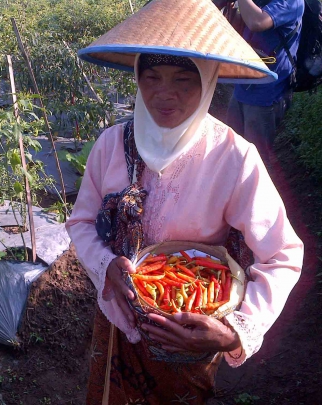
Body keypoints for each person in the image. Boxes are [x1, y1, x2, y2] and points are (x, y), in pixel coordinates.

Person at [67, 0, 304, 403]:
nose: (165, 94)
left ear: (209, 81)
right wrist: (106, 266)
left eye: (184, 80)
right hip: (119, 319)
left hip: (190, 334)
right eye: (152, 76)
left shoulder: (233, 158)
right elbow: (82, 222)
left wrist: (233, 331)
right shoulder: (111, 145)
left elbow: (282, 255)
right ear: (137, 78)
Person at [224, 0, 304, 163]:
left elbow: (257, 22)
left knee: (255, 159)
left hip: (267, 95)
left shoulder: (292, 2)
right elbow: (243, 24)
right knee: (231, 149)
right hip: (243, 87)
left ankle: (253, 188)